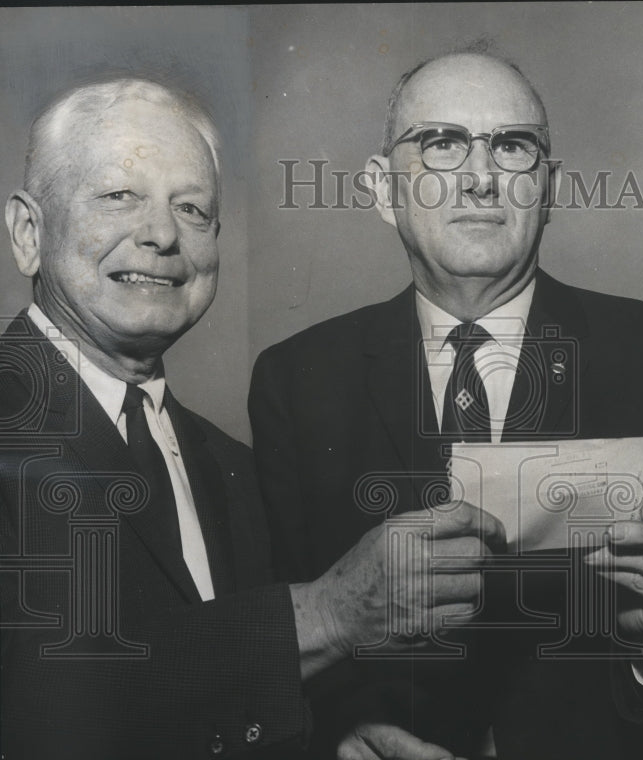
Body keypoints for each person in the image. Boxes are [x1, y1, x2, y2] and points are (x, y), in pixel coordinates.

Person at [0, 78, 503, 759]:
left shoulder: (229, 466)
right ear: (28, 234)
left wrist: (330, 737)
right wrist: (325, 613)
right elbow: (38, 699)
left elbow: (208, 693)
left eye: (192, 208)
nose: (159, 235)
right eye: (118, 196)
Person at [250, 48, 643, 759]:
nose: (480, 178)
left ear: (550, 187)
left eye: (512, 145)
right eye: (441, 144)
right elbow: (284, 640)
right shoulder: (297, 380)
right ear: (383, 190)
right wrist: (337, 737)